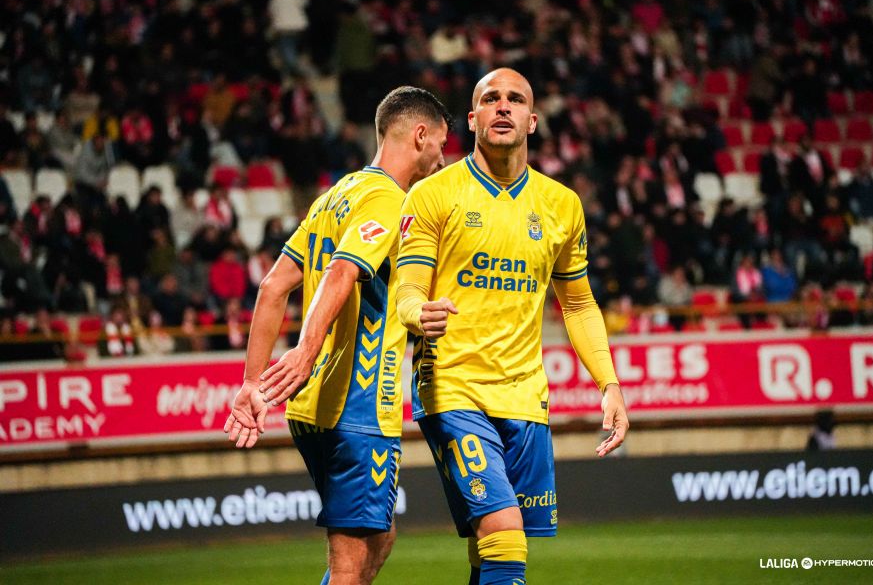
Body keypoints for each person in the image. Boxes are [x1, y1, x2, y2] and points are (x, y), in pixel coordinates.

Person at [395, 68, 629, 585]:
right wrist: (418, 314)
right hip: (452, 387)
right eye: (491, 99)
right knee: (505, 531)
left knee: (489, 550)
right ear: (473, 119)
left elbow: (580, 305)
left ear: (533, 120)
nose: (504, 106)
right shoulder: (433, 195)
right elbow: (406, 290)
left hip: (526, 396)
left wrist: (608, 384)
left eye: (516, 99)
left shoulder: (562, 205)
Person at [224, 86, 450, 585]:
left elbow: (272, 286)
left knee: (380, 535)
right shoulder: (388, 200)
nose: (441, 157)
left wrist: (251, 382)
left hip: (312, 411)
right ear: (419, 135)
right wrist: (304, 352)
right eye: (440, 143)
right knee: (348, 567)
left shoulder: (335, 195)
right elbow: (343, 273)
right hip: (359, 405)